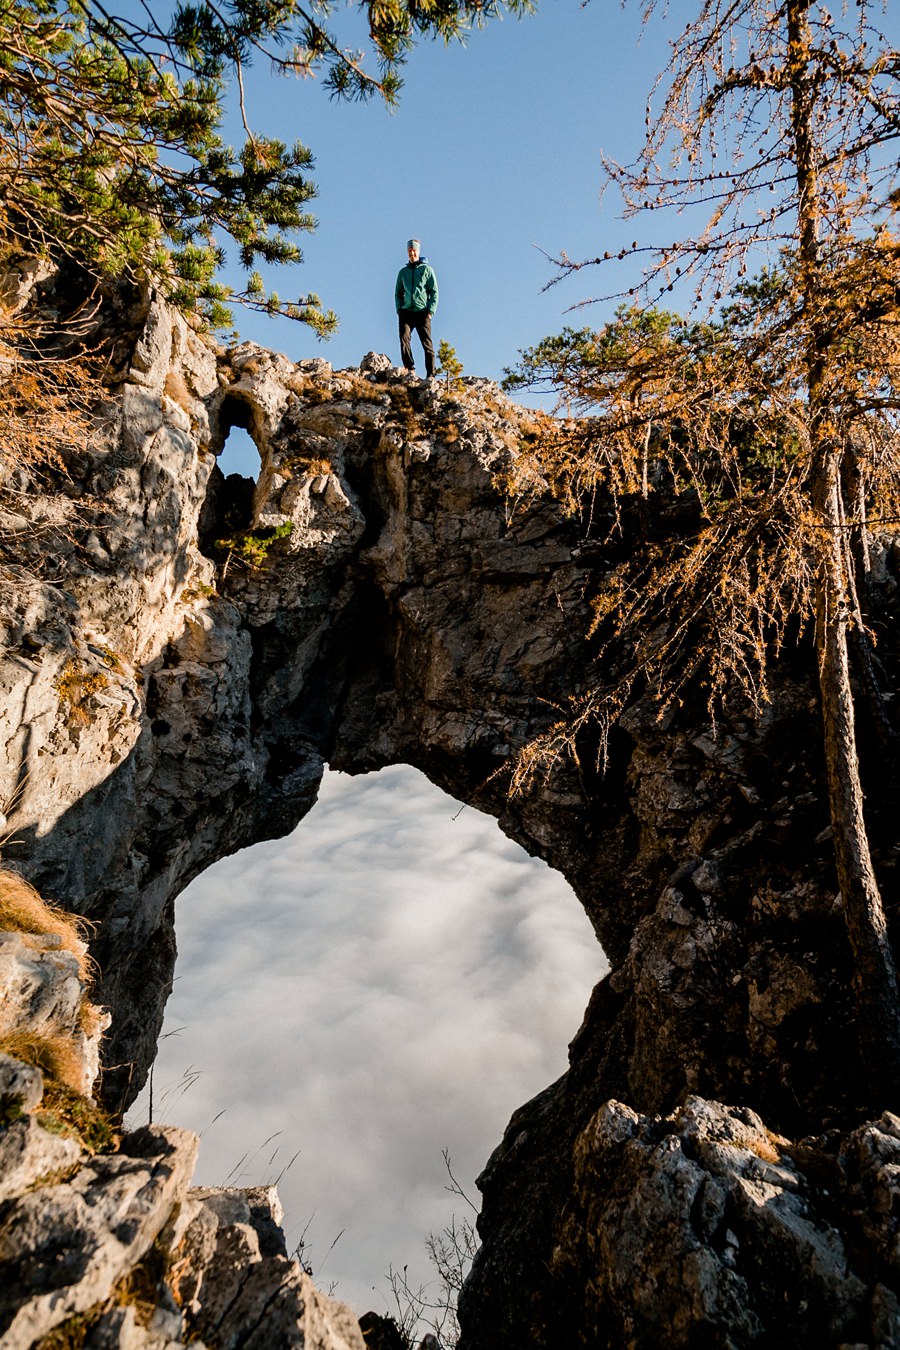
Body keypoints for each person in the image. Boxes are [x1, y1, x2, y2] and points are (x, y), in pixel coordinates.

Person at [395, 238, 438, 378]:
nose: (411, 253)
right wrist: (399, 309)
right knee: (404, 338)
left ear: (418, 251)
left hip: (422, 312)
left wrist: (430, 311)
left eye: (414, 250)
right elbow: (398, 293)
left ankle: (431, 374)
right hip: (406, 312)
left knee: (427, 344)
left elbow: (434, 292)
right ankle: (410, 368)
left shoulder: (427, 270)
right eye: (409, 250)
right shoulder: (403, 272)